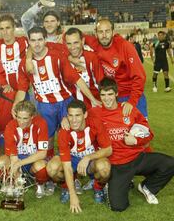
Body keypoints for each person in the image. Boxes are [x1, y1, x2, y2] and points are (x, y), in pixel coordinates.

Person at [14, 26, 101, 157]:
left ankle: (72, 164)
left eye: (39, 40)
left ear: (45, 40)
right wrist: (15, 105)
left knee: (70, 134)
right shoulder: (24, 65)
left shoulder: (57, 57)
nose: (36, 44)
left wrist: (93, 99)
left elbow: (76, 79)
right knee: (46, 137)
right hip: (44, 106)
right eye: (33, 40)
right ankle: (47, 163)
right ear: (29, 42)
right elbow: (22, 88)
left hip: (65, 102)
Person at [91, 77, 174, 212]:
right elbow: (78, 118)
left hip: (137, 158)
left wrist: (136, 141)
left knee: (170, 163)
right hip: (117, 164)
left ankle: (148, 187)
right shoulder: (94, 113)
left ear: (116, 94)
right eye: (103, 95)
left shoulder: (129, 110)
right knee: (118, 207)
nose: (106, 99)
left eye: (110, 94)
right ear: (99, 95)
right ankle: (109, 184)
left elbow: (149, 133)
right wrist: (65, 118)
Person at [47, 99, 112, 212]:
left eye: (77, 115)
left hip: (90, 160)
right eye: (71, 116)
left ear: (85, 115)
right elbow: (67, 166)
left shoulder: (95, 123)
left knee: (104, 168)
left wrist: (88, 157)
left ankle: (98, 188)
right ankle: (66, 188)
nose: (74, 120)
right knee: (52, 168)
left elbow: (108, 150)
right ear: (67, 116)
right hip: (72, 160)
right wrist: (73, 195)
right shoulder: (64, 132)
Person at [84, 19, 147, 118]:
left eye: (107, 31)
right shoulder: (95, 43)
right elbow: (73, 35)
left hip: (131, 96)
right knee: (114, 132)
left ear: (113, 32)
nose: (104, 35)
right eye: (100, 32)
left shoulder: (125, 47)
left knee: (140, 131)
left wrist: (131, 102)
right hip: (111, 98)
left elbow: (140, 77)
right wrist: (71, 57)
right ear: (95, 33)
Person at [0, 100, 49, 198]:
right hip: (17, 158)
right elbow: (13, 156)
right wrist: (17, 174)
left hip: (33, 158)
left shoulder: (41, 123)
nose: (21, 122)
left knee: (41, 166)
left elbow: (42, 153)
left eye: (25, 118)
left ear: (32, 116)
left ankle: (40, 184)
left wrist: (20, 164)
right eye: (19, 117)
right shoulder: (10, 126)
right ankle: (9, 182)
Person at [64, 27, 103, 109]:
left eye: (76, 42)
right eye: (69, 43)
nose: (72, 47)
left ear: (82, 41)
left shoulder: (92, 58)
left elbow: (101, 83)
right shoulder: (63, 59)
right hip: (74, 107)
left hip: (95, 104)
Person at [0, 14, 28, 91]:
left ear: (14, 28)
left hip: (23, 91)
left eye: (8, 28)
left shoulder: (24, 42)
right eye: (2, 29)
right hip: (4, 92)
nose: (5, 32)